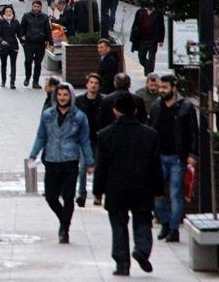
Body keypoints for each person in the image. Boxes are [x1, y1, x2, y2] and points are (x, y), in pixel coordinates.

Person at [94, 93, 164, 276]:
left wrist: (97, 191)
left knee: (118, 225)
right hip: (142, 187)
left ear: (115, 111)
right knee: (142, 220)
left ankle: (122, 263)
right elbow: (155, 165)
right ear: (135, 110)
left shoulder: (105, 135)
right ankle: (141, 250)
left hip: (116, 188)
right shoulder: (149, 135)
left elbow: (101, 166)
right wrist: (158, 190)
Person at [27, 82, 94, 244]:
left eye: (65, 95)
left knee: (69, 196)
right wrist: (33, 154)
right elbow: (41, 136)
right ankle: (64, 219)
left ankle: (64, 229)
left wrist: (90, 162)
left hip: (70, 160)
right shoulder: (48, 115)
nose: (62, 98)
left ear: (70, 96)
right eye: (59, 95)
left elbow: (85, 141)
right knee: (50, 196)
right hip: (51, 159)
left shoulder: (79, 117)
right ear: (55, 96)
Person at [147, 74, 199, 243]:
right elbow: (150, 130)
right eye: (160, 87)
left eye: (165, 88)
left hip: (178, 157)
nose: (161, 90)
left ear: (174, 88)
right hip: (159, 156)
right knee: (158, 193)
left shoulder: (186, 107)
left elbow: (193, 132)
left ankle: (174, 228)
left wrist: (192, 154)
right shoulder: (156, 107)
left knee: (175, 193)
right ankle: (165, 223)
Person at [74, 73, 104, 207]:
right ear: (87, 84)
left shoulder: (103, 101)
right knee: (82, 167)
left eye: (96, 83)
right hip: (83, 139)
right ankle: (82, 193)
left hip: (99, 138)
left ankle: (98, 194)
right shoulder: (79, 100)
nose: (93, 85)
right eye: (91, 82)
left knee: (98, 168)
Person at [20, 0, 52, 89]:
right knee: (28, 61)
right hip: (29, 43)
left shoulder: (45, 17)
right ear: (32, 7)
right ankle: (27, 77)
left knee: (38, 63)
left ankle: (36, 81)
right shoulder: (26, 16)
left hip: (40, 43)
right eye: (35, 6)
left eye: (38, 6)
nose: (36, 8)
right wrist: (22, 40)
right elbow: (22, 28)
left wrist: (50, 42)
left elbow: (48, 30)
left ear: (41, 7)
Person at [130, 7, 165, 76]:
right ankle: (148, 68)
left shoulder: (158, 13)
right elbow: (135, 24)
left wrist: (161, 40)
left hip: (153, 39)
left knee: (152, 57)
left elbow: (162, 27)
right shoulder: (140, 12)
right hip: (142, 39)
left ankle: (149, 73)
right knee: (141, 57)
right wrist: (132, 38)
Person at [0, 5, 21, 88]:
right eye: (7, 11)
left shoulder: (15, 22)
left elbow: (19, 33)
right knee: (4, 64)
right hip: (4, 46)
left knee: (13, 64)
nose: (9, 13)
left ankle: (12, 82)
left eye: (10, 11)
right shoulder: (1, 22)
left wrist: (23, 40)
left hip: (13, 46)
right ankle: (3, 81)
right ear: (4, 13)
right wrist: (2, 41)